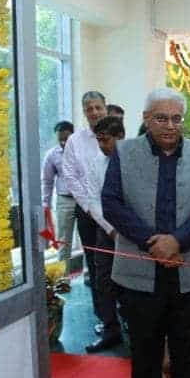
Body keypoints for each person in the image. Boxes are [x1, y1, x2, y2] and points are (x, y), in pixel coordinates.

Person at [102, 87, 190, 378]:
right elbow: (111, 203)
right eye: (161, 118)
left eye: (176, 118)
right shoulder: (124, 153)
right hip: (139, 278)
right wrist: (152, 242)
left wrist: (177, 241)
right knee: (144, 360)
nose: (170, 125)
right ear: (146, 118)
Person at [63, 91, 107, 327]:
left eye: (98, 107)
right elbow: (70, 176)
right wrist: (89, 207)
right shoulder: (75, 141)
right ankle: (103, 318)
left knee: (118, 265)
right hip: (88, 212)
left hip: (114, 212)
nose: (94, 112)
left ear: (106, 108)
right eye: (89, 109)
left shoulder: (118, 138)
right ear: (84, 112)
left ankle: (124, 313)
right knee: (95, 265)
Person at [85, 115, 125, 352]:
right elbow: (93, 201)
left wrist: (126, 229)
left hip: (134, 233)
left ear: (120, 136)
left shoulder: (135, 160)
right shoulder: (96, 163)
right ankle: (111, 330)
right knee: (104, 282)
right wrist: (111, 230)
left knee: (132, 282)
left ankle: (136, 326)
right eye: (99, 141)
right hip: (105, 232)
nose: (102, 145)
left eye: (106, 140)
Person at [42, 121, 75, 271]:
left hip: (85, 202)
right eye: (60, 139)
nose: (63, 143)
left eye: (66, 139)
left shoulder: (81, 151)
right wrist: (45, 204)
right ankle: (63, 280)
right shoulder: (51, 155)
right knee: (63, 242)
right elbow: (47, 182)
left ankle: (89, 277)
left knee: (91, 240)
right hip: (64, 201)